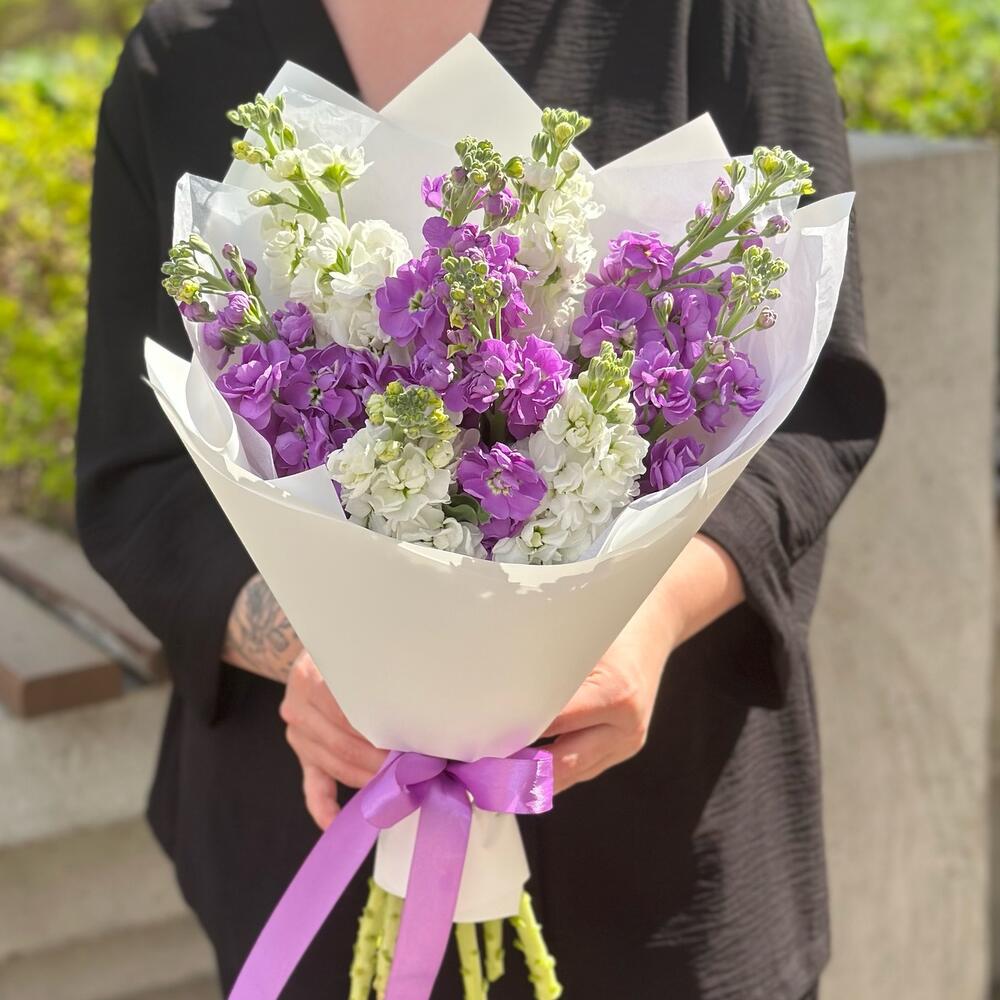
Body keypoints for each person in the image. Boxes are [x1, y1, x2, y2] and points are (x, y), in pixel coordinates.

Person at [76, 1, 885, 997]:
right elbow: (135, 475)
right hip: (311, 841)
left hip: (660, 856)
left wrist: (644, 624)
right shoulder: (181, 56)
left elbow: (814, 412)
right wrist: (317, 652)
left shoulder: (712, 17)